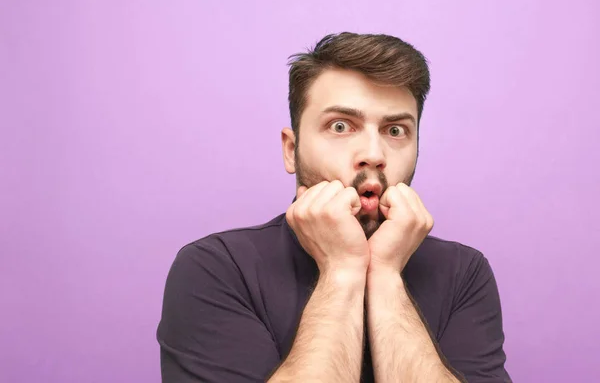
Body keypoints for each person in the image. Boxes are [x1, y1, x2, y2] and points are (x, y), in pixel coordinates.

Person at [157, 32, 511, 383]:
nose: (374, 154)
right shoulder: (217, 268)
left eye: (396, 131)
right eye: (340, 126)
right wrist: (342, 270)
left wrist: (385, 275)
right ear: (290, 149)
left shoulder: (464, 273)